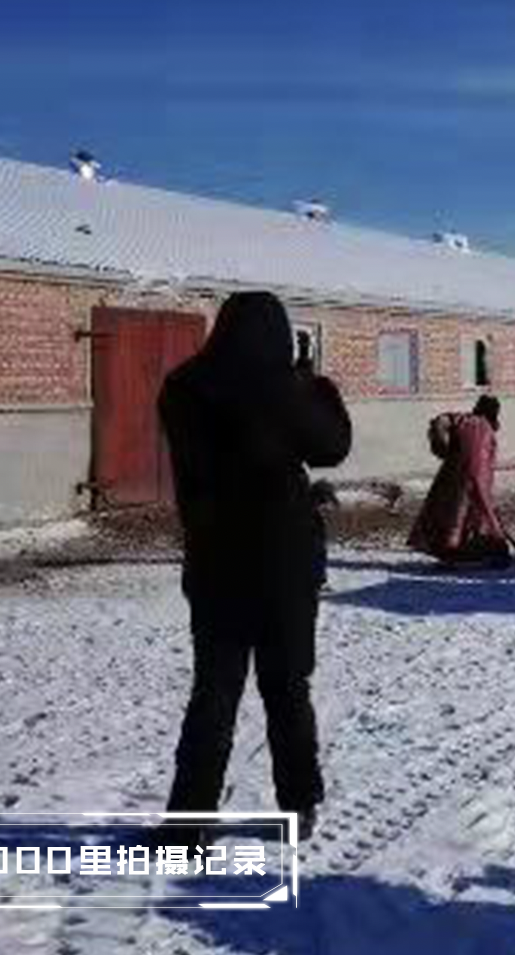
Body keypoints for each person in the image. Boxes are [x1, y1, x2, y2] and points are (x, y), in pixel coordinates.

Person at [158, 291, 352, 840]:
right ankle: (298, 806)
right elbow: (332, 446)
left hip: (214, 559)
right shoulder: (282, 388)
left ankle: (188, 821)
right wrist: (315, 385)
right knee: (287, 688)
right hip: (283, 564)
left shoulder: (183, 386)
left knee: (214, 694)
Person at [408, 395, 512, 565]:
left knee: (452, 511)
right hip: (474, 477)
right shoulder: (486, 430)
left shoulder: (462, 420)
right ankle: (479, 547)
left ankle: (457, 547)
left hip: (455, 475)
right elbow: (485, 465)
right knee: (476, 512)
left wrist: (443, 449)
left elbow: (439, 422)